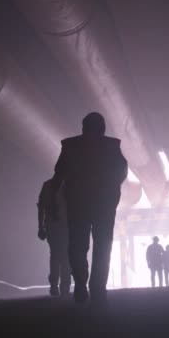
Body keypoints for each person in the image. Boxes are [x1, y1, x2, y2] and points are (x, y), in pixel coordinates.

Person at [48, 112, 128, 306]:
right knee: (103, 246)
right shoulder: (112, 145)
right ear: (103, 128)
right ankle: (98, 287)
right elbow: (121, 172)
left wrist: (52, 202)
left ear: (83, 127)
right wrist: (111, 193)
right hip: (104, 205)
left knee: (77, 246)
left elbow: (58, 176)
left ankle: (81, 284)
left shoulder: (69, 146)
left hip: (77, 204)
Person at [37, 179, 71, 296]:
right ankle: (64, 287)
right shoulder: (69, 185)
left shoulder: (47, 185)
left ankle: (55, 286)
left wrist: (41, 227)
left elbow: (41, 207)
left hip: (53, 227)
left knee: (55, 256)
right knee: (65, 257)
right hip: (66, 227)